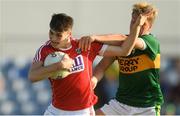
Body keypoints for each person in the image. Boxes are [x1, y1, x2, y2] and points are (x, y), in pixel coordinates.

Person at [28, 12, 147, 115]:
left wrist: (136, 26)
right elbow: (33, 76)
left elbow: (124, 50)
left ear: (69, 33)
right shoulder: (45, 49)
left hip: (83, 111)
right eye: (51, 33)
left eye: (58, 35)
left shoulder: (84, 45)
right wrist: (59, 66)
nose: (53, 38)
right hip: (56, 110)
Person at [79, 2, 164, 115]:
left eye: (141, 24)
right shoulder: (121, 44)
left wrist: (94, 37)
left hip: (147, 106)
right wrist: (94, 79)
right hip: (121, 103)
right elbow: (102, 66)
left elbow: (126, 40)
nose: (135, 26)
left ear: (150, 26)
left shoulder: (151, 42)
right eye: (133, 21)